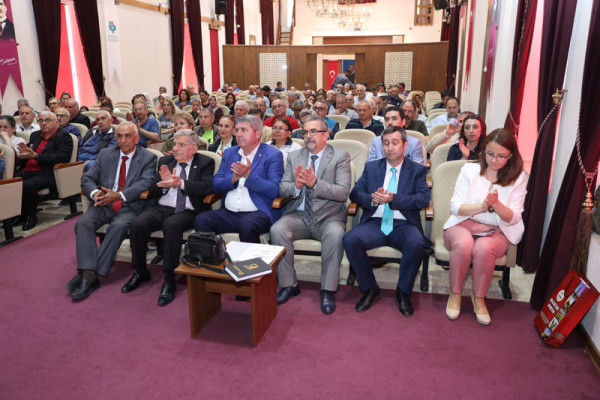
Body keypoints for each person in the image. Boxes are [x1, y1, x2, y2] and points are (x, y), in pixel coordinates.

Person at [444, 129, 528, 325]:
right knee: (464, 244)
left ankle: (479, 298)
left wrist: (496, 205)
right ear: (483, 152)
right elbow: (455, 207)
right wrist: (482, 207)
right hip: (462, 224)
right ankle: (455, 294)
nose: (494, 160)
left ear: (511, 155)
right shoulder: (469, 170)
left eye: (501, 156)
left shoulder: (519, 178)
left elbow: (514, 217)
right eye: (490, 154)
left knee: (483, 248)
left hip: (496, 231)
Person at [344, 125, 430, 315]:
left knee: (416, 244)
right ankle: (370, 288)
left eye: (395, 143)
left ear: (404, 145)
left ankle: (403, 292)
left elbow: (423, 199)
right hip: (376, 222)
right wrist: (372, 199)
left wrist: (394, 199)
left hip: (403, 224)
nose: (390, 147)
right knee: (350, 240)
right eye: (386, 143)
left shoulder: (417, 170)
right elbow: (355, 193)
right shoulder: (372, 167)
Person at [66, 122, 157, 301]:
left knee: (118, 226)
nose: (123, 140)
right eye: (119, 136)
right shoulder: (106, 154)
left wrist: (119, 196)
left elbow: (145, 182)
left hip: (130, 205)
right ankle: (89, 273)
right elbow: (87, 178)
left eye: (128, 136)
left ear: (137, 138)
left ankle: (89, 275)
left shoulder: (148, 157)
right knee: (83, 223)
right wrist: (95, 193)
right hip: (104, 203)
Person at [271, 116, 351, 314]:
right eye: (305, 132)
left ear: (326, 134)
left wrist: (316, 183)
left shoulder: (340, 157)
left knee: (335, 235)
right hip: (298, 215)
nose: (308, 136)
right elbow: (283, 187)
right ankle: (289, 284)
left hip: (328, 217)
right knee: (278, 230)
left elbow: (342, 193)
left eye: (313, 132)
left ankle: (327, 289)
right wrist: (296, 186)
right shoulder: (294, 156)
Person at [124, 130, 215, 306]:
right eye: (174, 144)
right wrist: (163, 185)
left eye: (181, 145)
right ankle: (141, 271)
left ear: (194, 148)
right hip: (163, 206)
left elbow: (207, 187)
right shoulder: (166, 161)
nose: (175, 148)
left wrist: (181, 183)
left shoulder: (205, 162)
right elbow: (151, 190)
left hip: (189, 209)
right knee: (138, 224)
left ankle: (170, 277)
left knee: (171, 225)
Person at [194, 115, 284, 243]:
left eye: (244, 130)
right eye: (237, 130)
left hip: (257, 212)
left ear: (258, 134)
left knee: (247, 226)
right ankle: (215, 255)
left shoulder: (273, 155)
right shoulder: (230, 153)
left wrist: (248, 176)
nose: (239, 134)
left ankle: (250, 257)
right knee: (202, 220)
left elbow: (274, 190)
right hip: (228, 212)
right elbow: (216, 184)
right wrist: (232, 179)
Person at [15, 112, 73, 230]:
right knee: (10, 182)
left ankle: (30, 217)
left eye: (47, 120)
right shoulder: (35, 135)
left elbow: (62, 158)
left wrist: (37, 156)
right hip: (28, 169)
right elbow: (28, 151)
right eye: (41, 120)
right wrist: (22, 154)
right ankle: (17, 215)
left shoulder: (64, 137)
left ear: (56, 122)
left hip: (48, 172)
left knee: (26, 185)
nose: (44, 123)